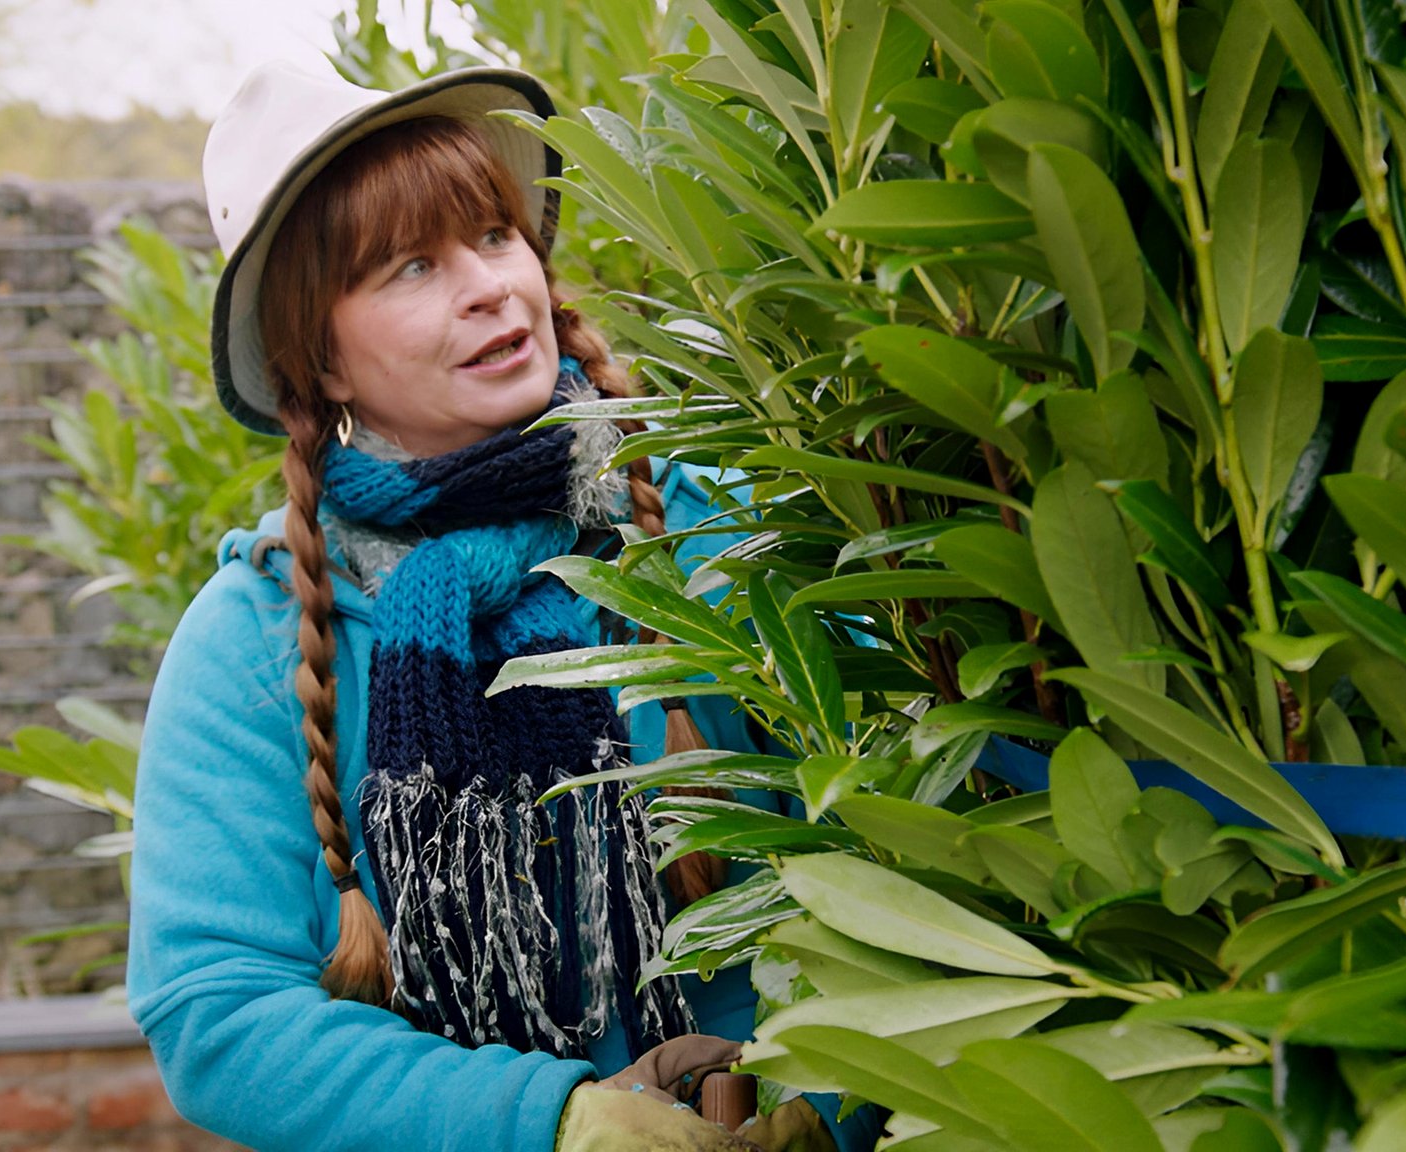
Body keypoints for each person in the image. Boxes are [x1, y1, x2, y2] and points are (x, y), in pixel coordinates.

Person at [126, 62, 868, 1152]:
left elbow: (904, 830)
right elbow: (218, 1015)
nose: (485, 285)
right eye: (408, 267)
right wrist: (550, 1123)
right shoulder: (257, 635)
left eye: (491, 235)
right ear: (320, 361)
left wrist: (830, 1088)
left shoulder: (708, 526)